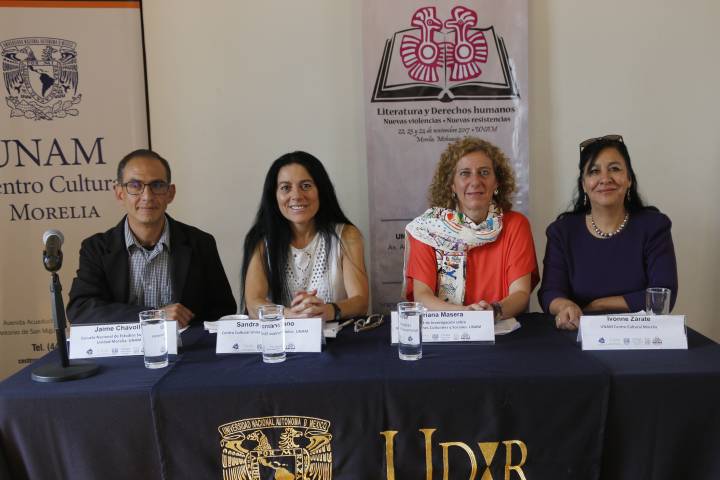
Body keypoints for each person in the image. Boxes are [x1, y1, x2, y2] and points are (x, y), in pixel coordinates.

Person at [67, 149, 237, 326]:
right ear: (119, 193)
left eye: (157, 185)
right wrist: (155, 315)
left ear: (170, 193)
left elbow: (223, 311)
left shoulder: (201, 243)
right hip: (124, 344)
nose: (147, 196)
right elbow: (81, 309)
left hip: (185, 343)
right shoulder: (96, 248)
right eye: (135, 185)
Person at [538, 134, 678, 330]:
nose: (605, 179)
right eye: (594, 171)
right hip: (580, 333)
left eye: (615, 169)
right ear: (583, 184)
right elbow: (550, 292)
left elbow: (663, 295)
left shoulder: (654, 226)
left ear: (629, 179)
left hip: (642, 335)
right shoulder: (562, 231)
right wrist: (565, 306)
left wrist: (598, 305)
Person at [404, 137, 538, 320]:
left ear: (496, 182)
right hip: (445, 329)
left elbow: (521, 293)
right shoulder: (427, 230)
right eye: (465, 173)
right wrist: (465, 315)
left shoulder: (516, 225)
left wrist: (493, 312)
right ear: (452, 185)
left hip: (499, 328)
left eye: (484, 172)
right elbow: (422, 296)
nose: (475, 181)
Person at [241, 151, 369, 321]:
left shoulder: (347, 236)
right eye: (285, 188)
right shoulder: (261, 240)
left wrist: (327, 310)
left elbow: (360, 302)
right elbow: (253, 304)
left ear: (321, 190)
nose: (296, 196)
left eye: (306, 186)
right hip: (283, 335)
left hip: (338, 335)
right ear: (274, 196)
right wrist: (291, 315)